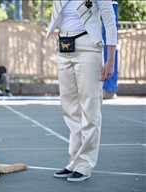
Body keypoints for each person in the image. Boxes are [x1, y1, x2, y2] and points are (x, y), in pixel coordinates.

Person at [46, 0, 117, 181]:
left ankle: (85, 164)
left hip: (89, 46)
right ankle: (74, 161)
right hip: (63, 46)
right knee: (69, 109)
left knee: (90, 108)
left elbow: (110, 21)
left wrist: (110, 61)